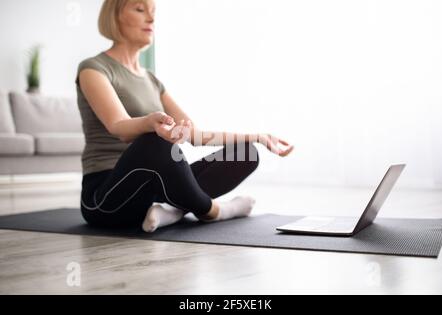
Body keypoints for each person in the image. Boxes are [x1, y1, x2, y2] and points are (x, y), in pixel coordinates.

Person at [75, 0, 294, 233]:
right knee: (155, 142)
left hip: (151, 194)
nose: (151, 18)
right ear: (115, 16)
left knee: (246, 151)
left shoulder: (151, 80)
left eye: (153, 12)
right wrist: (150, 123)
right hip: (107, 198)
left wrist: (258, 136)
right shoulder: (93, 68)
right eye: (140, 10)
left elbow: (196, 136)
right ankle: (216, 211)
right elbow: (118, 126)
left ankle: (172, 210)